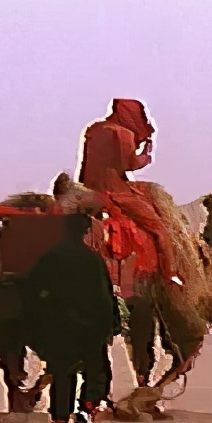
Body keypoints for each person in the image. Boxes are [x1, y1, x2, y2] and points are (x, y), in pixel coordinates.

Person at [24, 212, 121, 423]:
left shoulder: (50, 258)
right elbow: (105, 296)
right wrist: (110, 325)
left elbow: (33, 291)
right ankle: (86, 409)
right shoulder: (93, 260)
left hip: (60, 327)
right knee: (98, 373)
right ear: (86, 232)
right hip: (90, 329)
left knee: (61, 373)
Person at [77, 98, 183, 287]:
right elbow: (130, 164)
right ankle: (170, 273)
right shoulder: (123, 133)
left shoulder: (94, 129)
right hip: (115, 193)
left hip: (89, 190)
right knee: (159, 229)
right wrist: (146, 156)